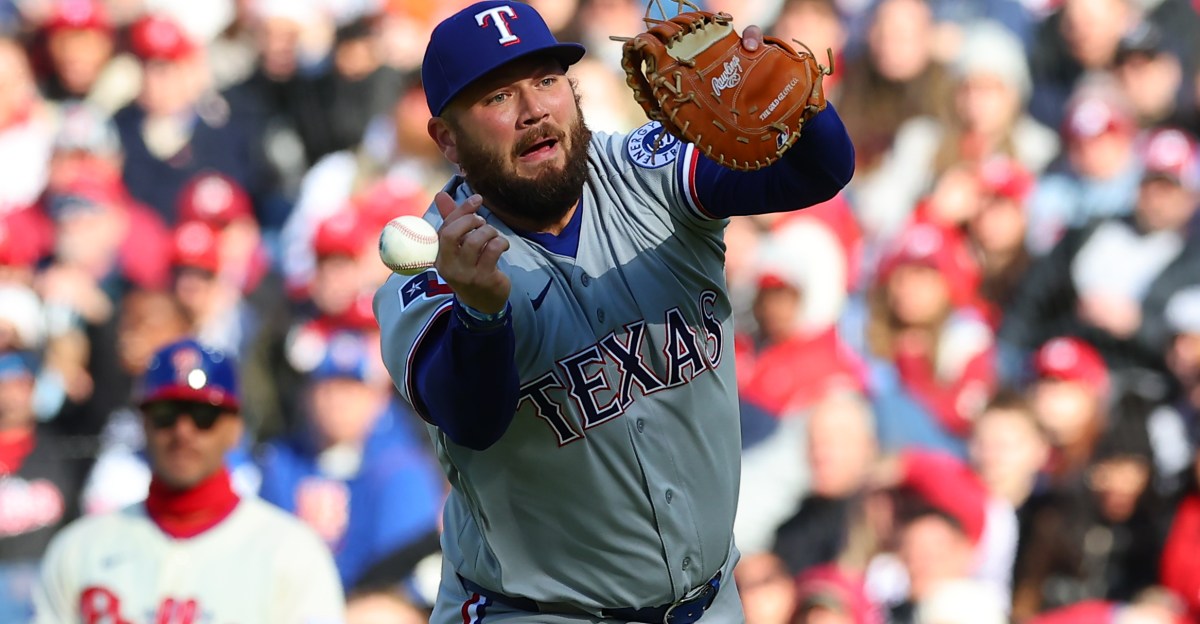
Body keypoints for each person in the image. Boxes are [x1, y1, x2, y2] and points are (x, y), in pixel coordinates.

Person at [373, 2, 855, 623]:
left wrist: (796, 103)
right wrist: (482, 315)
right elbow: (471, 420)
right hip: (536, 611)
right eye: (498, 97)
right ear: (447, 139)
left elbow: (819, 170)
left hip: (709, 602)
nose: (533, 111)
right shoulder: (434, 265)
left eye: (547, 80)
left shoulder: (644, 172)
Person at [33, 338, 345, 622]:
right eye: (167, 413)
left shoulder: (291, 553)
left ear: (234, 428)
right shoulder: (80, 548)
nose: (183, 431)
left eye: (203, 416)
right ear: (143, 423)